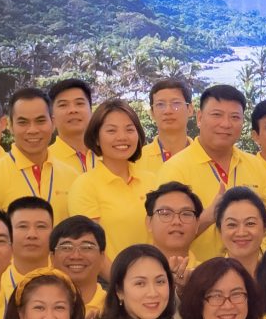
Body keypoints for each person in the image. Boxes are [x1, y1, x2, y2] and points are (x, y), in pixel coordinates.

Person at [154, 85, 266, 229]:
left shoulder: (254, 164)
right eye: (217, 115)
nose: (226, 124)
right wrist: (208, 217)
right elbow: (164, 233)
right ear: (199, 118)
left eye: (235, 117)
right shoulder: (175, 169)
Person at [0, 85, 84, 214]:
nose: (32, 130)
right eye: (23, 122)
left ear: (53, 123)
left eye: (40, 121)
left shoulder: (72, 177)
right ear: (10, 126)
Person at [70, 96, 153, 244]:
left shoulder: (152, 181)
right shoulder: (85, 185)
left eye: (129, 129)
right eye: (111, 131)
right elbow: (91, 246)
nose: (122, 137)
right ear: (96, 138)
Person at [145, 182, 207, 290]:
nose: (176, 222)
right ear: (148, 222)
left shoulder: (208, 275)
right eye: (165, 213)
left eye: (186, 213)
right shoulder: (131, 271)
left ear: (197, 224)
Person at [52, 215, 109, 317]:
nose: (76, 256)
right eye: (66, 247)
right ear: (52, 257)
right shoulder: (35, 305)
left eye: (86, 247)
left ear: (102, 257)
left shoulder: (116, 308)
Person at [214, 188, 266, 278]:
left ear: (265, 229)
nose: (241, 233)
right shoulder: (208, 278)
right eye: (232, 224)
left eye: (250, 223)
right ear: (220, 230)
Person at [50, 77, 99, 177]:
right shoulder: (45, 160)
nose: (73, 110)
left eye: (79, 103)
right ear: (52, 117)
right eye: (63, 105)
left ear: (91, 111)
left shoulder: (109, 155)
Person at [147, 78, 195, 167]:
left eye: (176, 103)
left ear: (190, 109)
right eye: (160, 104)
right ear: (152, 113)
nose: (168, 111)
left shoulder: (208, 158)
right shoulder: (136, 160)